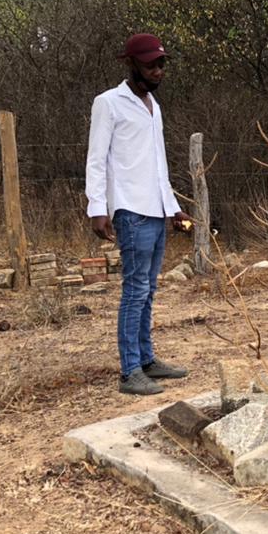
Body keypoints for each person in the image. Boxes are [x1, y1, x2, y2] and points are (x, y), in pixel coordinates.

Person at [85, 33, 193, 395]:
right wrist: (97, 207)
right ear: (131, 64)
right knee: (135, 290)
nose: (158, 71)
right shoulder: (108, 103)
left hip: (156, 210)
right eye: (150, 65)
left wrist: (173, 207)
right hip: (130, 210)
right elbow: (96, 159)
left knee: (149, 289)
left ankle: (147, 360)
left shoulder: (153, 105)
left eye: (161, 64)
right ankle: (130, 370)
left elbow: (159, 163)